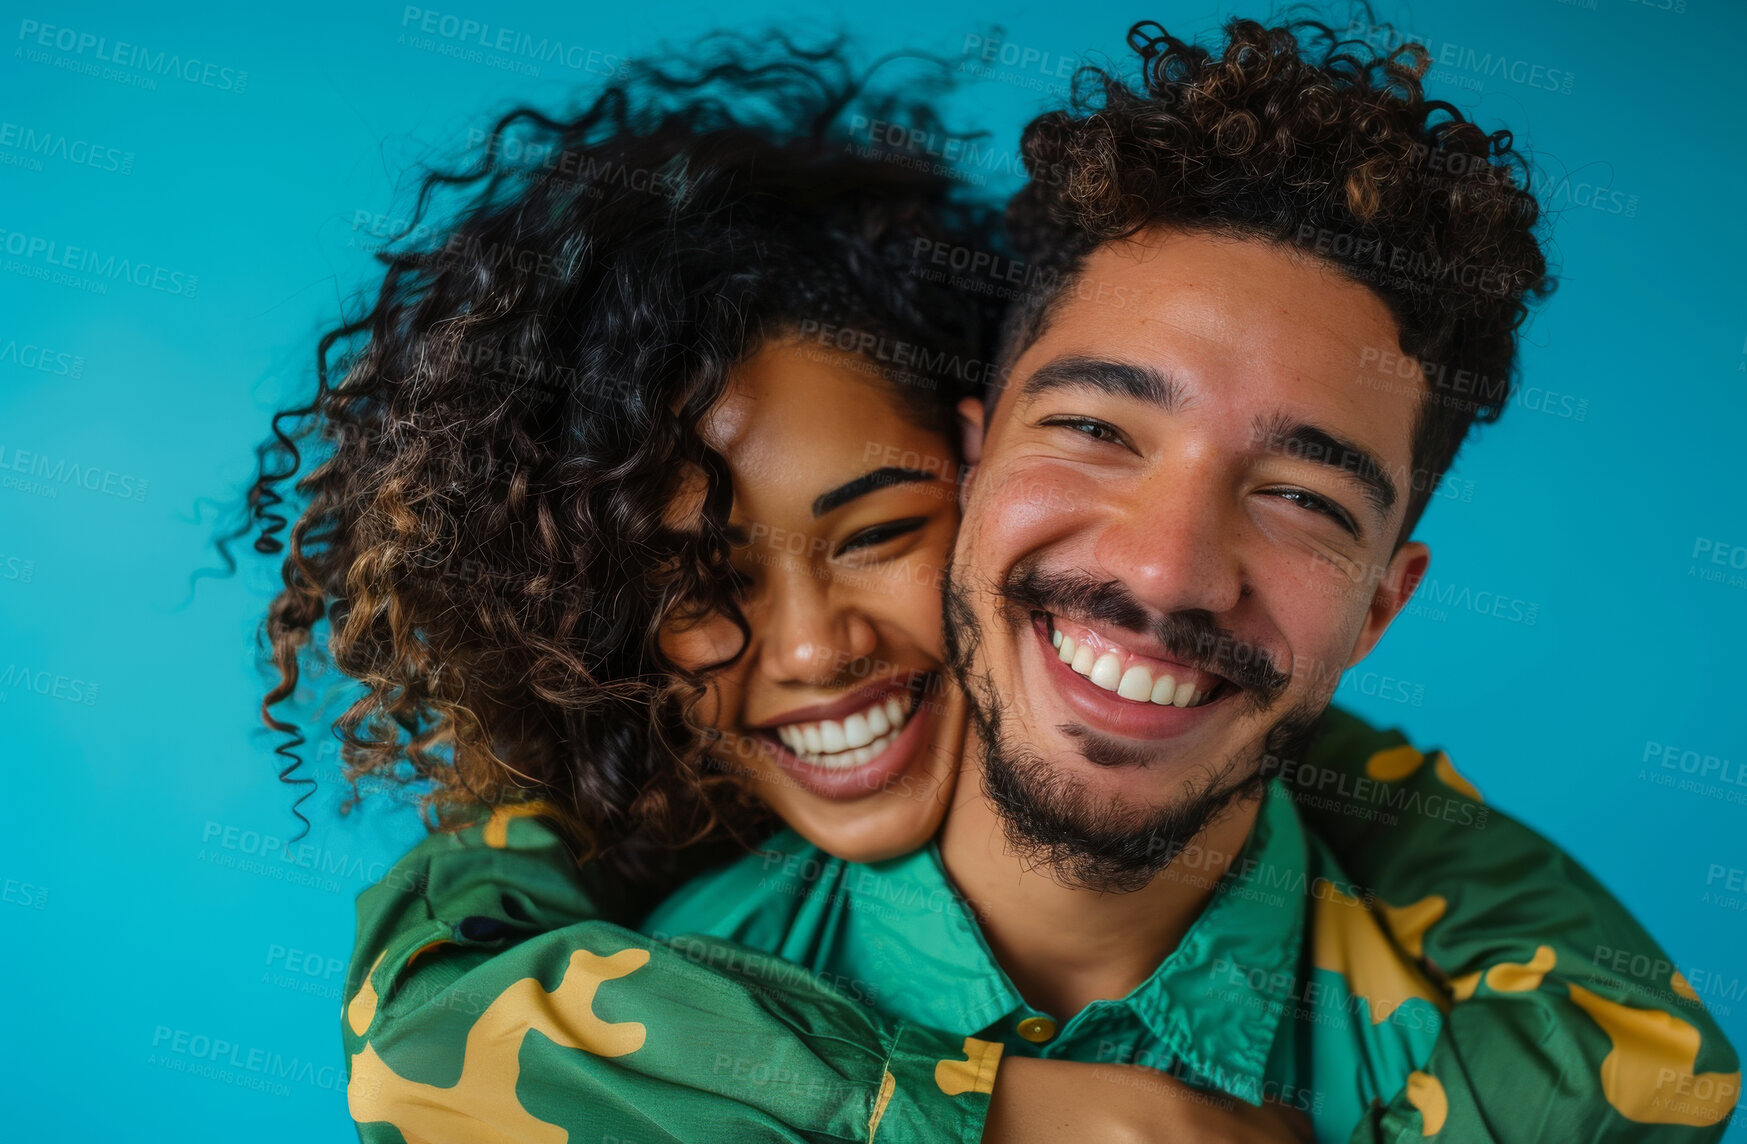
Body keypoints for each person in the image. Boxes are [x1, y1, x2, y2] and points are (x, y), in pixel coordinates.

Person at [229, 27, 1735, 1144]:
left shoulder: (1521, 1055)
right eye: (1096, 429)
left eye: (1298, 495)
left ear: (1378, 607)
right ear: (985, 452)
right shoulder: (619, 1031)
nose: (1164, 564)